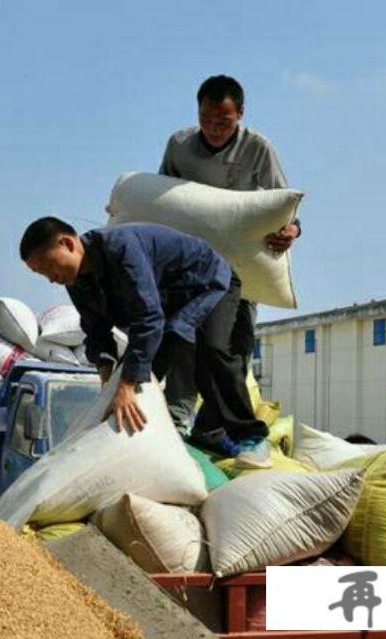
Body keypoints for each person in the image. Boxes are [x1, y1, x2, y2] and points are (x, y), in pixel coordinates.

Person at [19, 216, 272, 468]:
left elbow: (148, 318)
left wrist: (127, 383)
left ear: (67, 243)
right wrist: (109, 376)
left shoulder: (120, 248)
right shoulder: (76, 281)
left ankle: (251, 436)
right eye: (43, 275)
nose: (51, 278)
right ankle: (150, 443)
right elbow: (96, 329)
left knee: (212, 352)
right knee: (137, 376)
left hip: (209, 284)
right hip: (168, 306)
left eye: (49, 266)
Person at [158, 74, 300, 439]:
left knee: (234, 347)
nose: (214, 129)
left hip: (240, 266)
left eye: (223, 122)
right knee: (185, 336)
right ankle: (179, 414)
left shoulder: (258, 148)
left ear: (240, 114)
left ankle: (219, 423)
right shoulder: (179, 146)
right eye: (206, 119)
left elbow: (282, 202)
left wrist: (292, 230)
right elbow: (161, 197)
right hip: (191, 268)